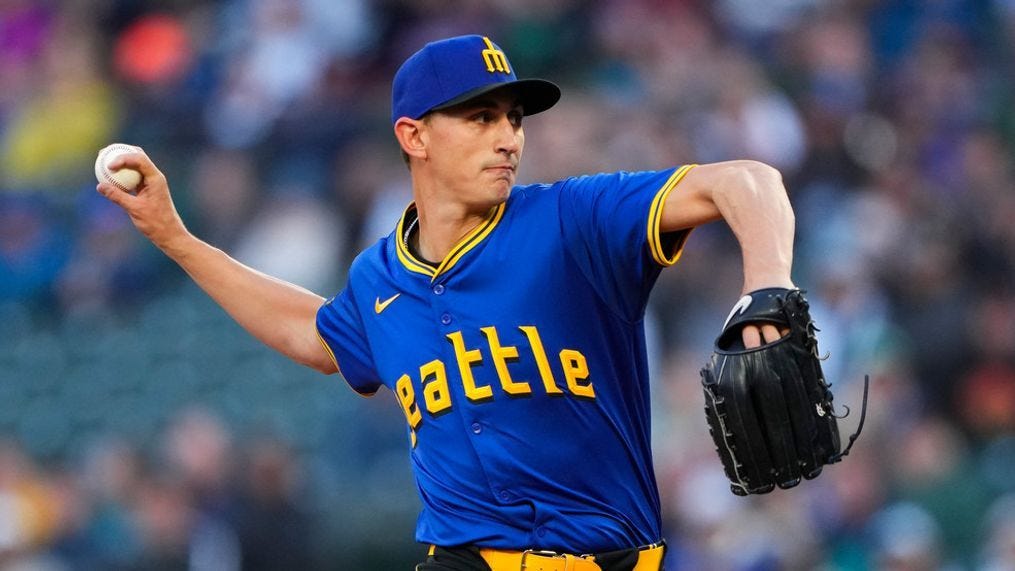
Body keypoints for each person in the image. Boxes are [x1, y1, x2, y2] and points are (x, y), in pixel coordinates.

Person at [97, 34, 795, 571]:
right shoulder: (379, 279)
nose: (508, 137)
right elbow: (313, 334)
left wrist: (767, 289)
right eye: (480, 116)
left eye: (514, 118)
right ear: (413, 135)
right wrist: (175, 236)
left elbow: (744, 180)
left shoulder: (572, 221)